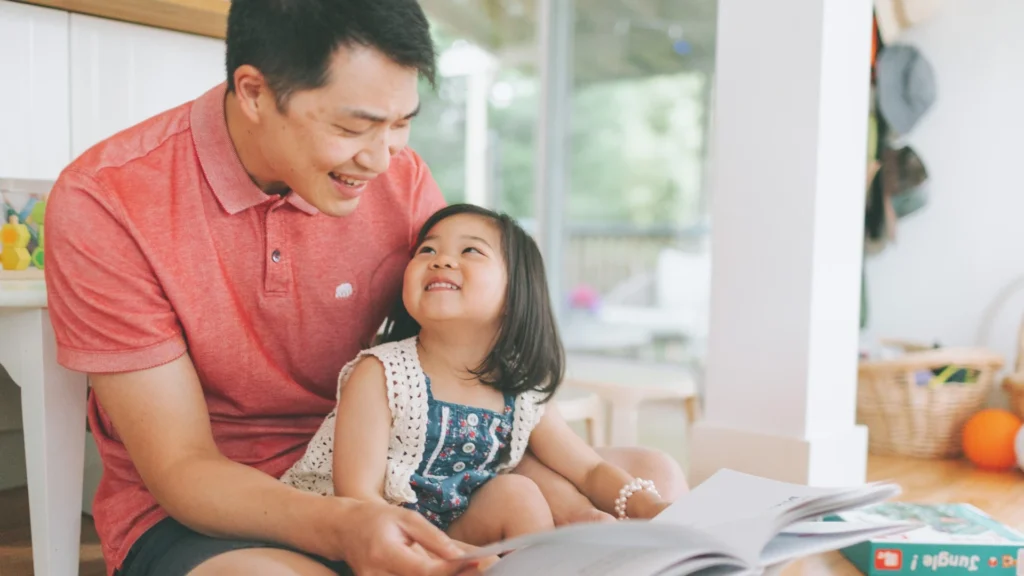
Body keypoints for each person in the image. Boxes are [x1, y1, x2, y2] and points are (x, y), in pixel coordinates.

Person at [43, 0, 687, 574]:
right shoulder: (107, 201)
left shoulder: (398, 179)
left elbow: (462, 350)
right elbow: (183, 470)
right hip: (216, 511)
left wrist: (577, 500)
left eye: (402, 123)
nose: (383, 159)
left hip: (401, 469)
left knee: (653, 478)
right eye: (353, 129)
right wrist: (353, 523)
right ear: (254, 92)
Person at [281, 204, 675, 550]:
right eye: (427, 250)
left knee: (517, 494)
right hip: (373, 534)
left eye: (470, 250)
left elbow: (587, 469)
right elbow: (358, 497)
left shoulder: (520, 391)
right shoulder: (381, 374)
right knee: (520, 497)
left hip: (452, 527)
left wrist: (651, 508)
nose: (440, 260)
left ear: (515, 293)